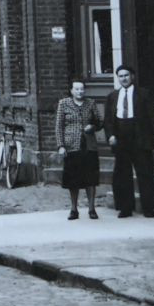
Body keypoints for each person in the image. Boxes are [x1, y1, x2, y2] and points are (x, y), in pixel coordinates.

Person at [106, 64, 154, 217]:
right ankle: (125, 207)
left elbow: (153, 115)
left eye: (126, 75)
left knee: (144, 172)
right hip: (121, 137)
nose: (124, 78)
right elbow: (108, 120)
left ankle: (149, 208)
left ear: (132, 77)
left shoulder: (143, 94)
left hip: (140, 136)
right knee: (123, 174)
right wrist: (110, 135)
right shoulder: (113, 96)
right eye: (121, 76)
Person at [54, 80, 102, 220]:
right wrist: (61, 145)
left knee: (90, 178)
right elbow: (59, 126)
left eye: (82, 89)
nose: (80, 92)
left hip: (89, 145)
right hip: (71, 146)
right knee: (73, 179)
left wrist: (92, 127)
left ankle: (92, 209)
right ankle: (74, 209)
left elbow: (99, 122)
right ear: (71, 90)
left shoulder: (91, 103)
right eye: (77, 89)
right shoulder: (64, 104)